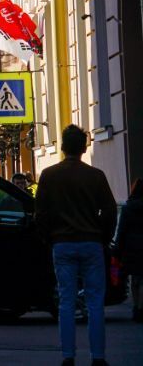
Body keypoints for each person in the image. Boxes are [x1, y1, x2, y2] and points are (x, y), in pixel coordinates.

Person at [35, 124, 117, 366]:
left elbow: (40, 214)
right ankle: (98, 357)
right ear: (84, 147)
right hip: (91, 243)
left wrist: (48, 237)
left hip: (62, 244)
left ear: (62, 147)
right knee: (95, 303)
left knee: (67, 302)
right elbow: (110, 210)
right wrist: (103, 236)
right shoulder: (96, 176)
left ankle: (68, 357)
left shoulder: (49, 176)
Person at [111, 179, 143, 322]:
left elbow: (122, 230)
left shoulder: (128, 208)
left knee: (135, 279)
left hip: (132, 248)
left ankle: (137, 307)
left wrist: (117, 248)